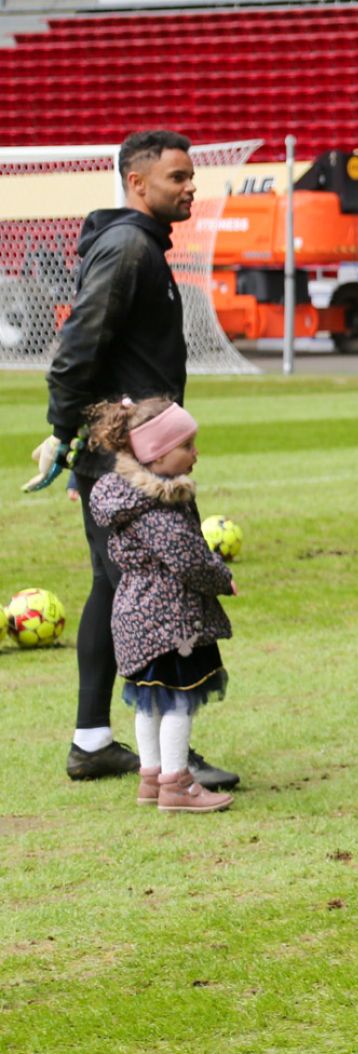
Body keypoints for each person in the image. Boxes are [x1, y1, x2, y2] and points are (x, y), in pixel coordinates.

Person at [26, 130, 236, 791]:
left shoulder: (138, 246)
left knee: (114, 588)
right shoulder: (127, 250)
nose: (190, 186)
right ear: (137, 183)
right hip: (134, 458)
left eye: (190, 175)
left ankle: (94, 741)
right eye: (176, 176)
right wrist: (67, 436)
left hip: (125, 451)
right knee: (159, 595)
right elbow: (74, 349)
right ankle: (169, 761)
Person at [84, 397, 235, 814]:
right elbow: (188, 559)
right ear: (156, 452)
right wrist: (222, 577)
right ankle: (177, 785)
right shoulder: (158, 506)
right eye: (186, 445)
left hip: (136, 616)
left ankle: (151, 777)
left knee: (150, 700)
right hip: (170, 622)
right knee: (178, 701)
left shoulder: (127, 501)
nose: (195, 453)